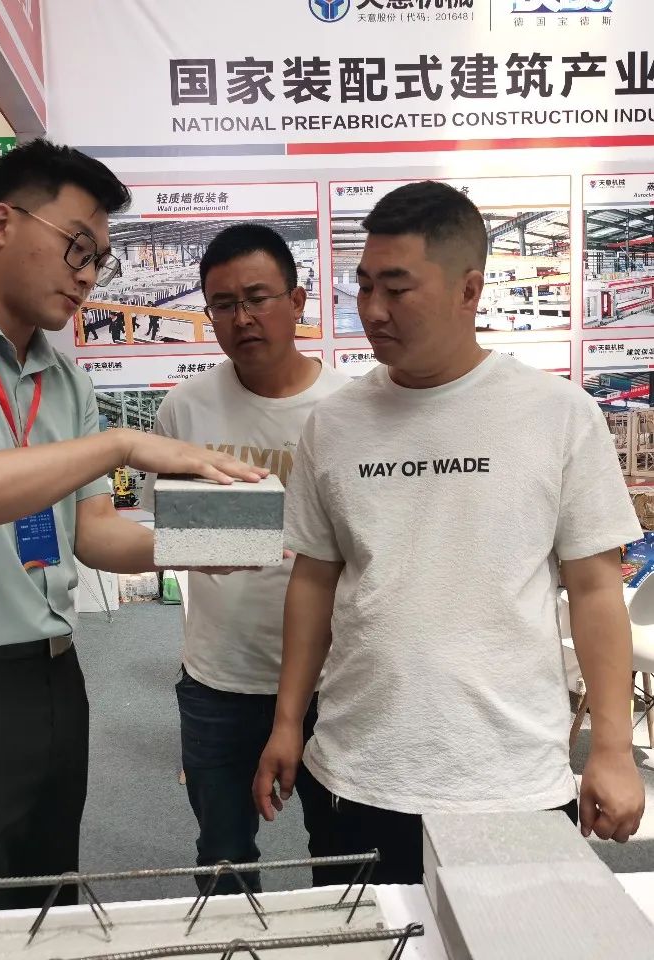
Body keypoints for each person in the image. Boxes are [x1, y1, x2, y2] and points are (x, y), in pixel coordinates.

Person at [0, 138, 265, 956]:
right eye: (77, 247)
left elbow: (92, 533)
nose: (87, 276)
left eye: (99, 260)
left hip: (52, 677)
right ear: (2, 223)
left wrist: (200, 540)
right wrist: (118, 445)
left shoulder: (65, 379)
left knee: (48, 908)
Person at [253, 180, 646, 887]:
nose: (372, 309)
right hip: (358, 769)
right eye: (364, 285)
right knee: (371, 936)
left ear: (469, 290)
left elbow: (594, 589)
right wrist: (287, 722)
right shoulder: (334, 424)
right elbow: (313, 580)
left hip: (509, 776)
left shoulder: (555, 414)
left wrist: (612, 749)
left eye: (397, 288)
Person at [141, 224, 348, 893]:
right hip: (219, 677)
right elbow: (165, 529)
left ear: (298, 300)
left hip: (333, 680)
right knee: (223, 856)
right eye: (223, 305)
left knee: (344, 858)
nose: (242, 318)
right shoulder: (185, 409)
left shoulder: (349, 409)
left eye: (257, 298)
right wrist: (215, 539)